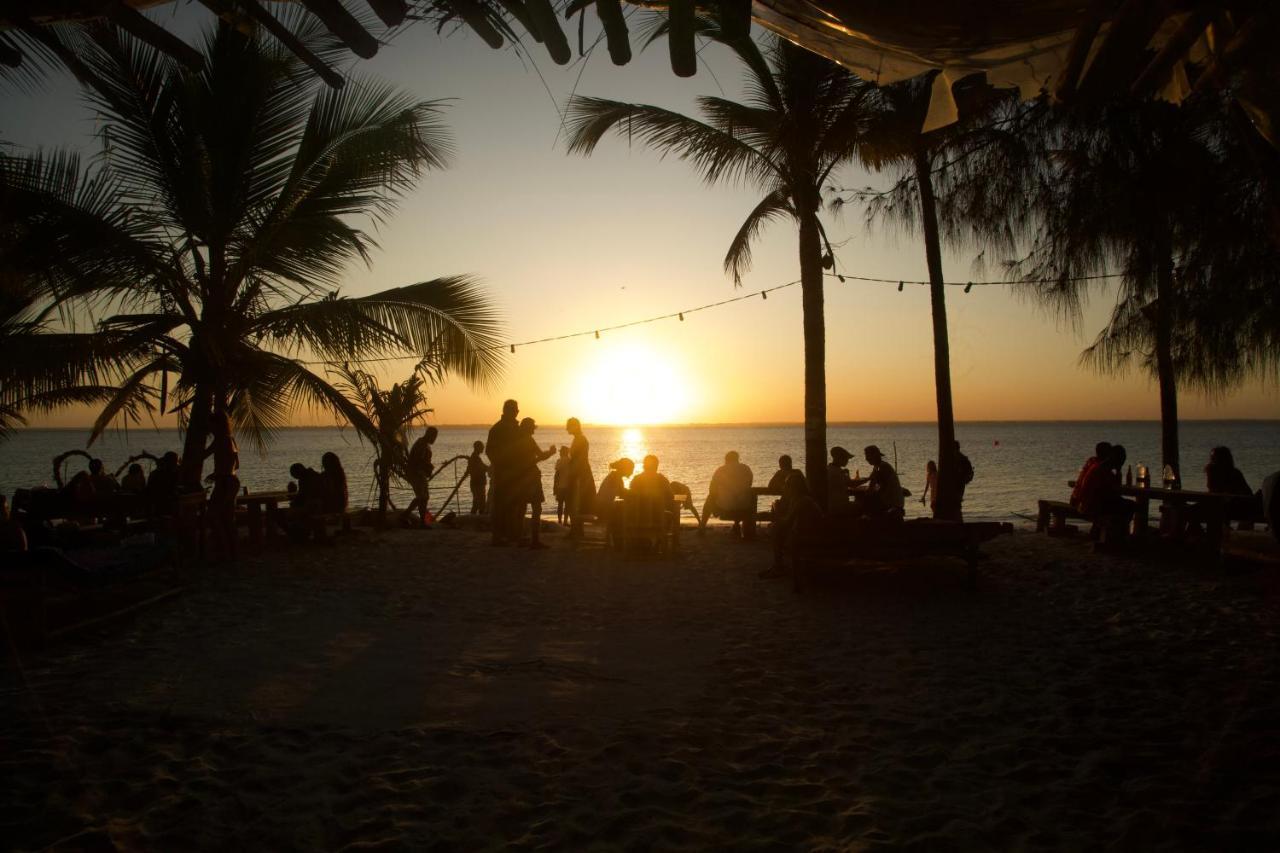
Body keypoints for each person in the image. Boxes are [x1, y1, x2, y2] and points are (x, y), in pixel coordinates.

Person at [763, 472, 825, 580]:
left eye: (787, 485)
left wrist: (776, 510)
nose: (784, 487)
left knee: (775, 530)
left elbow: (787, 521)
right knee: (776, 529)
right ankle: (777, 565)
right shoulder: (803, 498)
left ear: (793, 487)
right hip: (813, 533)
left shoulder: (800, 501)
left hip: (807, 536)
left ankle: (779, 566)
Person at [510, 418, 557, 549]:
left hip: (520, 478)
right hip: (531, 478)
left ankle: (520, 538)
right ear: (528, 428)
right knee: (536, 508)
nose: (534, 430)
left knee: (521, 508)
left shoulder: (516, 441)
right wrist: (551, 452)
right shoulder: (528, 441)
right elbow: (540, 456)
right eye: (532, 427)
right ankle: (534, 540)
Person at [1074, 444, 1135, 539]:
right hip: (1091, 507)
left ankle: (1108, 533)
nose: (1121, 464)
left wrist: (1118, 471)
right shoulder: (1103, 470)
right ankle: (1117, 535)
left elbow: (1112, 491)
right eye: (1121, 461)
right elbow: (1115, 491)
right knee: (1130, 506)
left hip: (1086, 503)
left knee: (1125, 505)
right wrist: (1118, 471)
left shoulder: (1098, 466)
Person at [204, 410, 240, 560]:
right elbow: (236, 465)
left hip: (225, 482)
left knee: (214, 516)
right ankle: (231, 552)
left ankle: (223, 550)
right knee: (227, 518)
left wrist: (218, 473)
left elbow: (203, 455)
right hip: (232, 481)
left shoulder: (220, 440)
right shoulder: (231, 439)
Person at [487, 401, 522, 544]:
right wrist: (501, 466)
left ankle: (511, 534)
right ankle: (497, 536)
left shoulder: (515, 428)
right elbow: (490, 451)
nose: (516, 413)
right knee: (500, 504)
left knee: (514, 504)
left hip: (516, 473)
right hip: (503, 473)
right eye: (514, 410)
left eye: (517, 410)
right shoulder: (498, 429)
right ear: (507, 411)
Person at [698, 451, 755, 539]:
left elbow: (712, 488)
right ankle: (736, 525)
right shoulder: (746, 468)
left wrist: (717, 496)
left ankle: (702, 527)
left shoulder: (721, 470)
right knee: (738, 497)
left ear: (726, 459)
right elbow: (749, 484)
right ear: (737, 459)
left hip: (726, 507)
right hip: (744, 505)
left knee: (710, 498)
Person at [629, 454, 677, 546]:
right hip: (657, 519)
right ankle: (659, 543)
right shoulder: (662, 480)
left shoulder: (636, 479)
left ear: (644, 466)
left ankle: (637, 542)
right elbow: (671, 496)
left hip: (637, 520)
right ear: (656, 466)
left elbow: (630, 496)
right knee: (670, 514)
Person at [849, 445, 904, 521]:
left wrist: (866, 490)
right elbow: (871, 481)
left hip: (891, 503)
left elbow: (876, 487)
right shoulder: (878, 467)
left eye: (868, 455)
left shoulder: (883, 467)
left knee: (863, 502)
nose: (866, 458)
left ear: (874, 455)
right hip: (891, 501)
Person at [565, 417, 595, 539]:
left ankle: (576, 531)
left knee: (576, 502)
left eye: (569, 426)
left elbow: (579, 460)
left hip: (580, 474)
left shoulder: (580, 439)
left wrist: (574, 475)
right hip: (580, 473)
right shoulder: (578, 439)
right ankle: (576, 530)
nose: (567, 428)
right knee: (575, 502)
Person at [595, 457, 635, 547]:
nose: (632, 472)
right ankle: (619, 541)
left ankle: (618, 540)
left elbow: (621, 493)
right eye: (631, 469)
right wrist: (635, 492)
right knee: (623, 515)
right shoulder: (616, 478)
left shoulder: (614, 475)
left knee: (620, 511)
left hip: (600, 506)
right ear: (626, 469)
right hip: (602, 509)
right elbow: (623, 494)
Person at [406, 426, 438, 525]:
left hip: (420, 474)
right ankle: (405, 514)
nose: (435, 439)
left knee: (425, 497)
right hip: (416, 474)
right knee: (422, 497)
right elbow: (416, 461)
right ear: (430, 435)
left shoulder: (424, 444)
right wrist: (427, 466)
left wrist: (428, 467)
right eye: (434, 437)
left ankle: (422, 521)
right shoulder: (421, 444)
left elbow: (423, 460)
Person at [285, 461, 324, 541]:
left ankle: (298, 535)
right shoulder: (313, 475)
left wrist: (293, 499)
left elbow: (302, 496)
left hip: (314, 506)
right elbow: (302, 496)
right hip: (318, 505)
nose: (295, 477)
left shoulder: (306, 479)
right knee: (293, 510)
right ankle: (300, 533)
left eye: (294, 475)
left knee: (286, 514)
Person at [1070, 441, 1113, 510]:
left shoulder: (1091, 462)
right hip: (1083, 505)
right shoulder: (1101, 467)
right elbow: (1111, 485)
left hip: (1075, 500)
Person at [145, 451, 181, 516]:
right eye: (175, 461)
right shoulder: (166, 474)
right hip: (162, 504)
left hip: (159, 503)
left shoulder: (157, 473)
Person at [827, 447, 854, 513]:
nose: (847, 461)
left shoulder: (829, 468)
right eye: (846, 459)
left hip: (831, 504)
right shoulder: (838, 472)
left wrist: (847, 474)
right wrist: (869, 478)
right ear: (839, 458)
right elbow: (852, 485)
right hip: (839, 505)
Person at [466, 441, 489, 515]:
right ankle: (480, 520)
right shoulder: (475, 458)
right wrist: (490, 468)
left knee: (476, 504)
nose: (483, 448)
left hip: (476, 483)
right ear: (478, 448)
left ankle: (474, 518)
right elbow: (482, 468)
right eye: (482, 447)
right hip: (478, 484)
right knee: (481, 504)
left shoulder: (475, 457)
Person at [552, 446, 571, 524]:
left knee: (560, 504)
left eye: (560, 452)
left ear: (563, 452)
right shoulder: (571, 461)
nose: (559, 453)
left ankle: (559, 521)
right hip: (568, 487)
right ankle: (565, 521)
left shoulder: (559, 461)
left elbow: (557, 475)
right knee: (567, 505)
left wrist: (554, 486)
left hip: (560, 486)